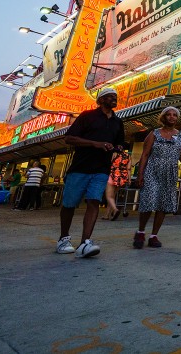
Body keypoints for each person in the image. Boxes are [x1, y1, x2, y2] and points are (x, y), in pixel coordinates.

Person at [56, 87, 124, 258]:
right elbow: (69, 138)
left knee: (93, 202)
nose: (113, 99)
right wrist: (96, 144)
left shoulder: (118, 122)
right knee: (69, 204)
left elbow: (120, 143)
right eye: (109, 97)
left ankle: (85, 243)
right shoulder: (87, 116)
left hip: (102, 169)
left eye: (115, 97)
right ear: (100, 100)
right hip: (80, 167)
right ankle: (63, 238)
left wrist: (117, 148)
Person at [133, 106, 181, 249]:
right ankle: (140, 232)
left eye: (174, 115)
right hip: (152, 171)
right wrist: (140, 174)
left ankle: (154, 236)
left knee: (163, 204)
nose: (172, 117)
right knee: (148, 201)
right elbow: (145, 154)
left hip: (170, 173)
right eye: (169, 115)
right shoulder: (154, 134)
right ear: (163, 117)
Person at [104, 149, 131, 221]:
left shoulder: (114, 154)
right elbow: (128, 168)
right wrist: (129, 179)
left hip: (112, 175)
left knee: (109, 196)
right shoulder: (128, 155)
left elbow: (108, 164)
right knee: (112, 196)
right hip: (121, 177)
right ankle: (106, 215)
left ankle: (115, 209)